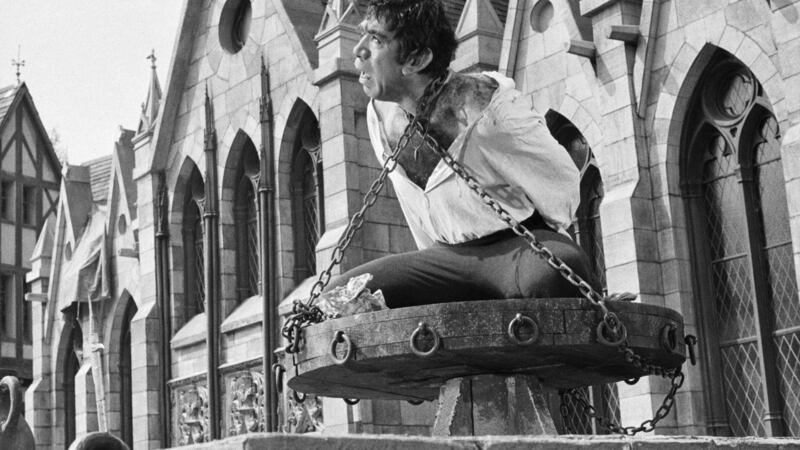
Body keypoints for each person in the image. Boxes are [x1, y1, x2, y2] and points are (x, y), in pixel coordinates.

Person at [325, 0, 595, 308]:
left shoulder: (491, 110)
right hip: (445, 259)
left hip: (514, 248)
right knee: (337, 301)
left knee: (557, 273)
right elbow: (418, 216)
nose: (358, 50)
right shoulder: (380, 115)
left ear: (416, 58)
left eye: (376, 39)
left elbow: (562, 190)